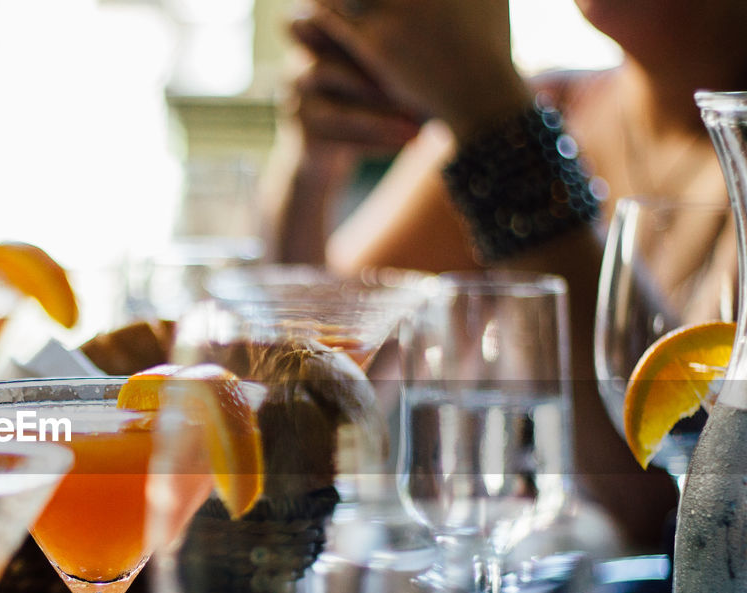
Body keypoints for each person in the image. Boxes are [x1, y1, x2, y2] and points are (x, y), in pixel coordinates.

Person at [260, 0, 747, 548]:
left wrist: (495, 121)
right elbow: (318, 383)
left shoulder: (513, 115)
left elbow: (676, 510)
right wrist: (311, 167)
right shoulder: (556, 106)